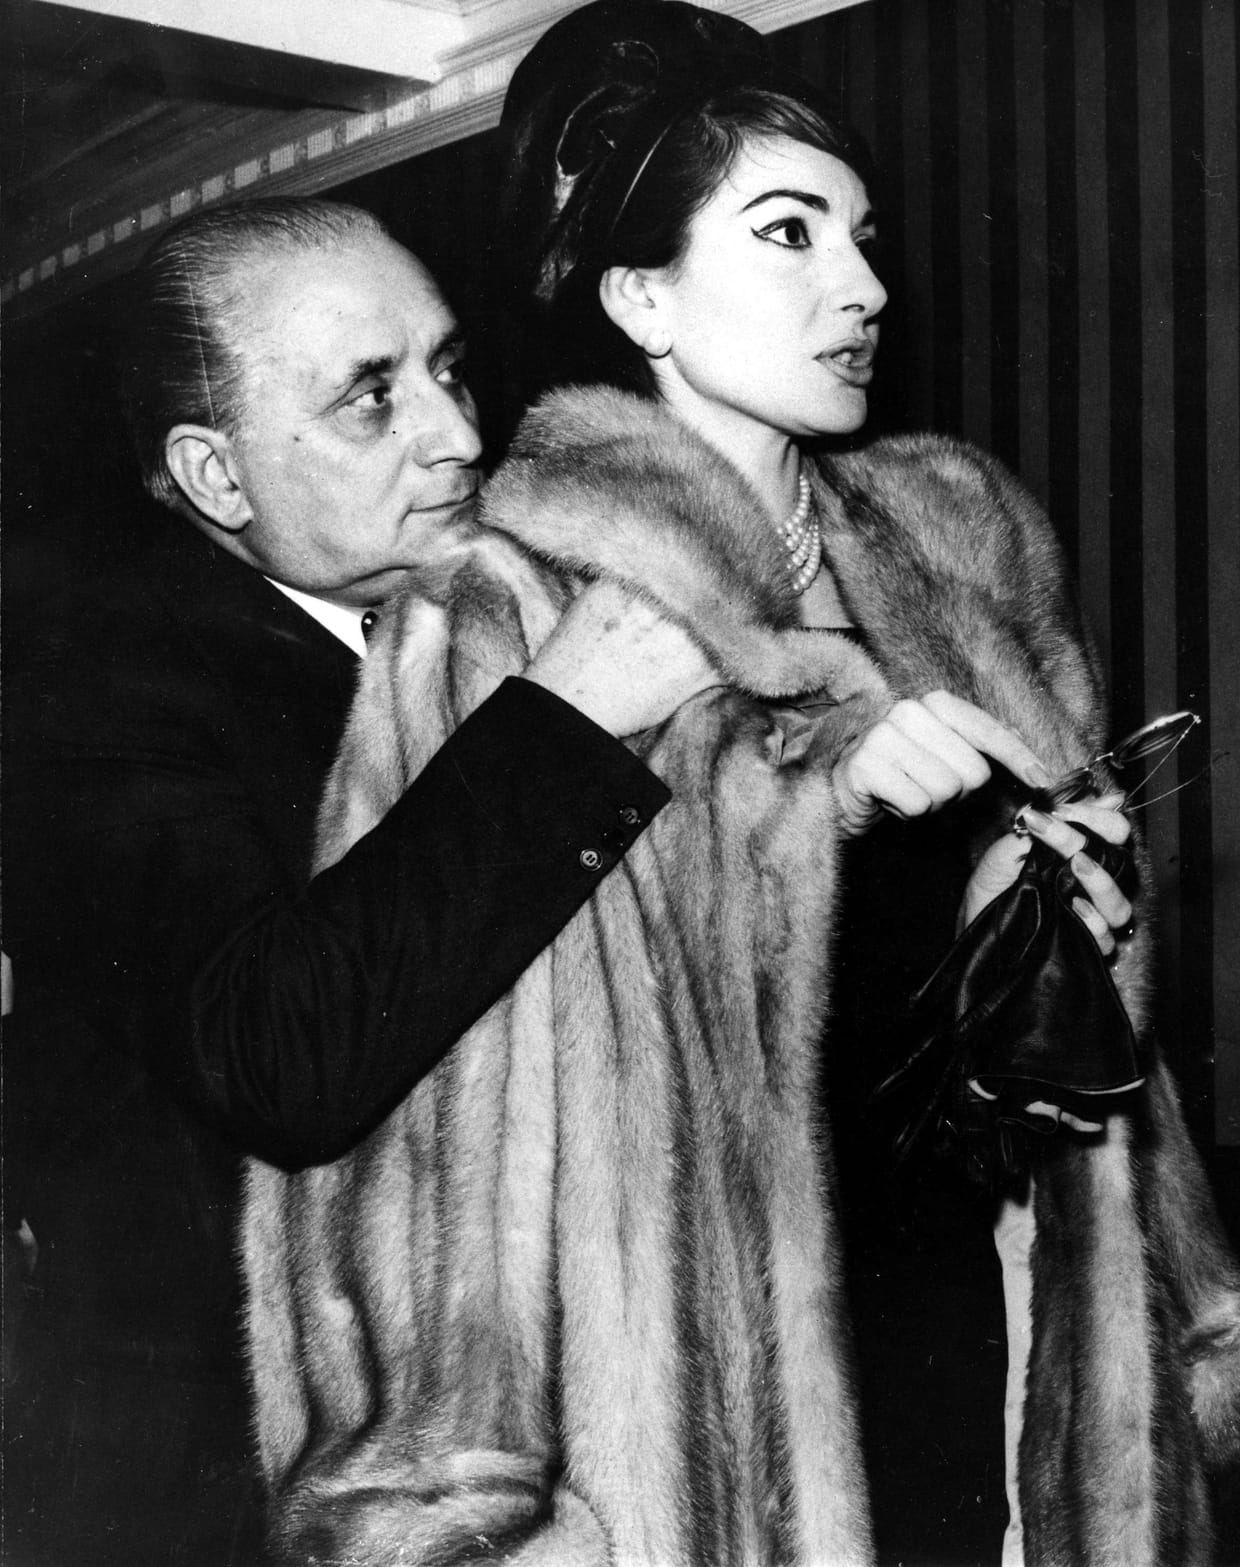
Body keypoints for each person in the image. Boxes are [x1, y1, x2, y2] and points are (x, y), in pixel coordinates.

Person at [239, 6, 1240, 1566]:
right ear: (639, 293)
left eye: (862, 238)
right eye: (788, 234)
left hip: (1001, 1348)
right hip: (706, 1436)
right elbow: (432, 1127)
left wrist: (1050, 925)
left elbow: (1075, 1071)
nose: (863, 286)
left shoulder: (963, 548)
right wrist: (816, 800)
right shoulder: (502, 610)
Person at [0, 197, 717, 1561]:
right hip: (235, 1479)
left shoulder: (477, 622)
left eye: (448, 368)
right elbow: (277, 1054)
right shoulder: (87, 683)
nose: (457, 436)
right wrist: (566, 725)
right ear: (217, 479)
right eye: (369, 398)